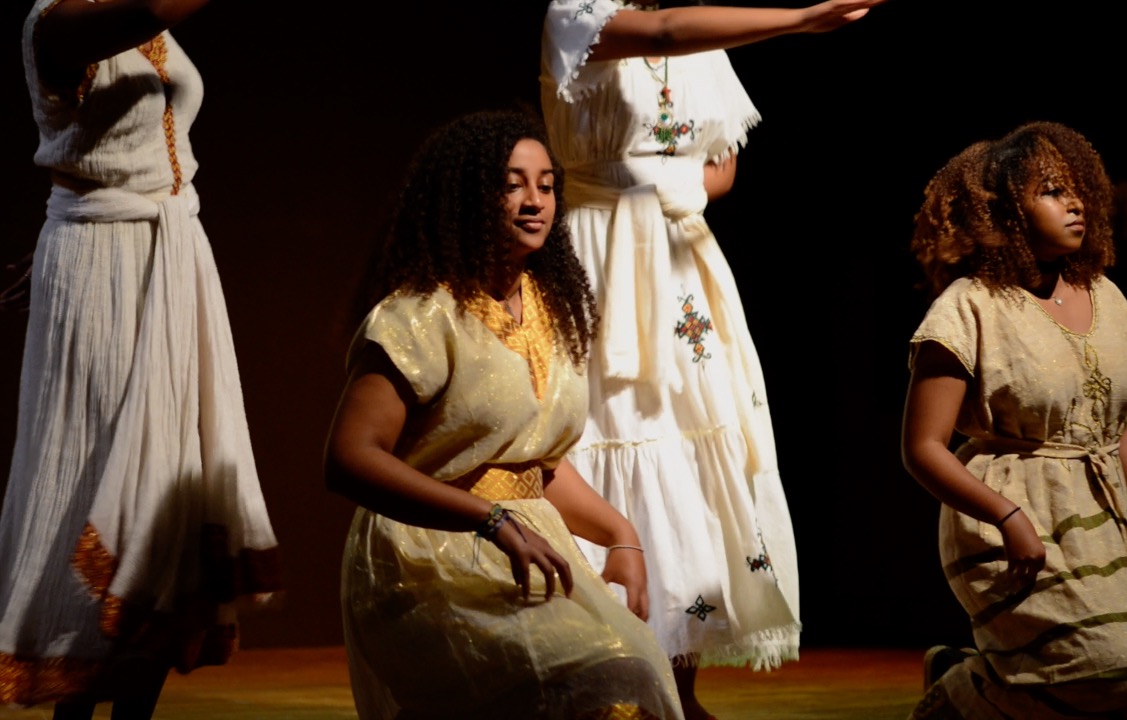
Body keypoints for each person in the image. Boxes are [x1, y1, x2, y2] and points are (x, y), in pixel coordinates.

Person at [540, 1, 884, 716]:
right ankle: (602, 681)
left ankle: (681, 685)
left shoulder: (705, 48)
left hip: (680, 258)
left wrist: (677, 187)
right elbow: (662, 33)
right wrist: (797, 21)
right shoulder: (576, 13)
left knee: (694, 445)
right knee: (614, 428)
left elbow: (721, 167)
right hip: (602, 253)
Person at [325, 110, 682, 720]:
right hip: (423, 557)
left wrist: (621, 535)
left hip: (523, 539)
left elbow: (532, 465)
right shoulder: (418, 315)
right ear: (467, 196)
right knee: (579, 678)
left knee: (629, 666)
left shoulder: (553, 307)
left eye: (545, 185)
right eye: (511, 183)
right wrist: (488, 520)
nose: (533, 200)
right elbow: (349, 459)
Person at [0, 1, 281, 716]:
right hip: (103, 267)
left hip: (168, 251)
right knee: (103, 473)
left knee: (175, 492)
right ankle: (74, 697)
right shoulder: (56, 23)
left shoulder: (145, 30)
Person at [901, 122, 1127, 719]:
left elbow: (1109, 424)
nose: (1077, 202)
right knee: (1093, 670)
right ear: (1003, 213)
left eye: (1078, 188)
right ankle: (954, 696)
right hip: (1008, 515)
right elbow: (924, 447)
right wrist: (1007, 516)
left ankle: (963, 676)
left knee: (1125, 682)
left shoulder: (1105, 295)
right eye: (1053, 191)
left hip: (1101, 514)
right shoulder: (968, 306)